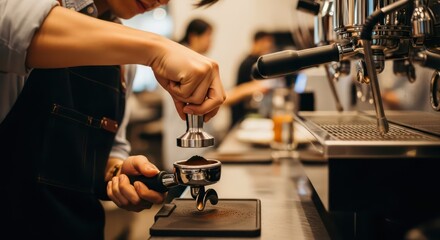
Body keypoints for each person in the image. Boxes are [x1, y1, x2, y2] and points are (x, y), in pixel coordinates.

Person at [0, 0, 225, 239]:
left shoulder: (123, 65)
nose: (164, 0)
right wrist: (158, 49)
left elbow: (108, 154)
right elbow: (12, 28)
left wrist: (118, 172)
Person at [229, 31, 276, 127]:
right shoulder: (248, 63)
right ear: (257, 42)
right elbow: (238, 90)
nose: (269, 47)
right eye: (266, 43)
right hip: (241, 114)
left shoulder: (256, 61)